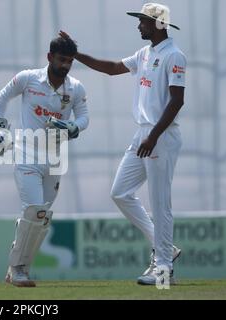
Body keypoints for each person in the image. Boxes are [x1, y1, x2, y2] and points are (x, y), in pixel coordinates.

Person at [60, 2, 186, 285]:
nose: (138, 25)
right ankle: (166, 248)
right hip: (142, 134)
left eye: (143, 20)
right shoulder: (146, 53)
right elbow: (112, 68)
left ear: (158, 24)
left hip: (160, 136)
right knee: (120, 192)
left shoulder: (175, 55)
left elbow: (178, 100)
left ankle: (164, 269)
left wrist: (153, 136)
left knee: (160, 203)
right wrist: (75, 53)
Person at [0, 37, 89, 287]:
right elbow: (3, 97)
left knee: (41, 218)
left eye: (69, 61)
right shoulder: (28, 78)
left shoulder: (75, 88)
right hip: (27, 153)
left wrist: (73, 126)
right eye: (61, 59)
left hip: (55, 158)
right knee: (35, 210)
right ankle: (19, 268)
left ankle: (17, 265)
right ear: (49, 57)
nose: (65, 65)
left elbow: (84, 117)